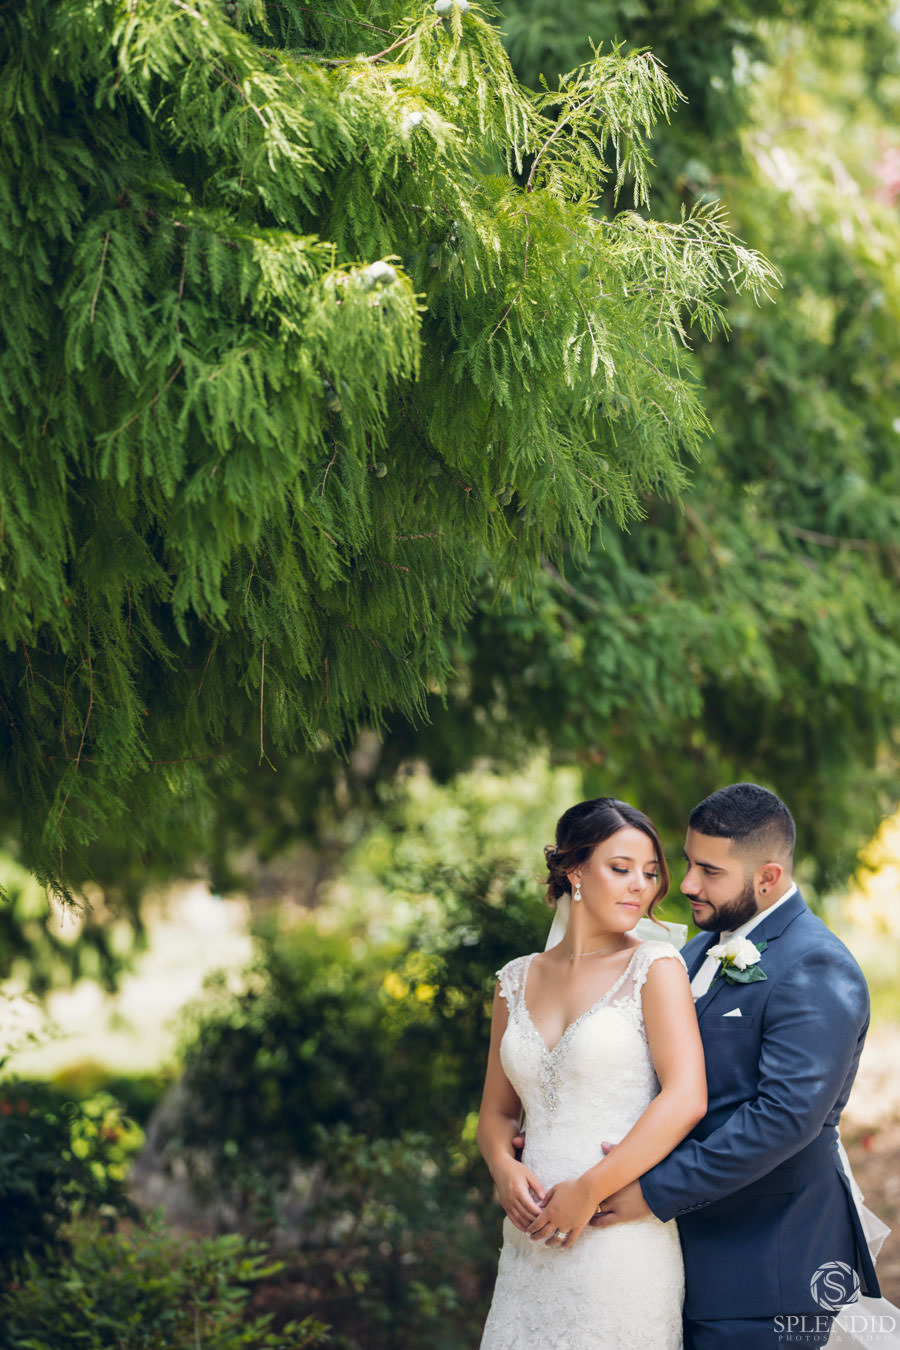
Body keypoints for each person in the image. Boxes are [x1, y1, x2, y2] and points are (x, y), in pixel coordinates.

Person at [592, 783, 881, 1350]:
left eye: (710, 871)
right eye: (688, 862)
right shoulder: (693, 951)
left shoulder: (816, 965)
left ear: (767, 877)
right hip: (675, 1260)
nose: (688, 884)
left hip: (767, 1267)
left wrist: (652, 1192)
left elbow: (783, 1117)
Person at [477, 797, 707, 1350]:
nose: (640, 887)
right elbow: (497, 1112)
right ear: (575, 871)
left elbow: (686, 1097)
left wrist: (589, 1189)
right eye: (621, 868)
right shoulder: (514, 980)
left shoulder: (656, 968)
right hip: (529, 1240)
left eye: (650, 873)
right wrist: (503, 1170)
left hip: (617, 1235)